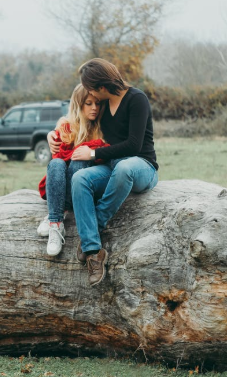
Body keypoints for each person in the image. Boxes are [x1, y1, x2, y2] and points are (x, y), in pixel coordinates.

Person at [67, 58, 159, 286]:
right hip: (112, 166)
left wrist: (92, 155)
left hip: (141, 166)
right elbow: (77, 120)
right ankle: (94, 252)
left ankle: (93, 228)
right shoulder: (103, 105)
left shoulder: (137, 99)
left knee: (124, 167)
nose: (89, 94)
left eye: (90, 88)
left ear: (101, 86)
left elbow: (134, 145)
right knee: (80, 179)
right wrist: (54, 134)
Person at [37, 84, 108, 257]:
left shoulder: (102, 127)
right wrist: (51, 134)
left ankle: (58, 212)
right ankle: (56, 223)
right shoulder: (66, 126)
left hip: (83, 188)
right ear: (78, 104)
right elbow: (57, 156)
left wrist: (89, 152)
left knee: (78, 161)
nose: (94, 108)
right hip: (61, 183)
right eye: (89, 103)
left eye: (97, 104)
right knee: (56, 164)